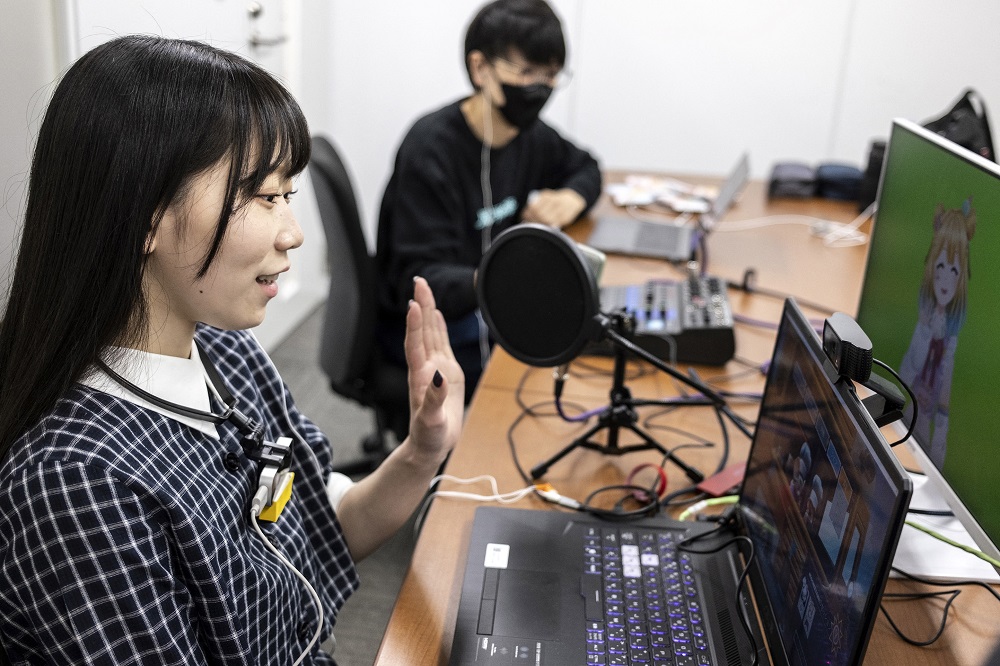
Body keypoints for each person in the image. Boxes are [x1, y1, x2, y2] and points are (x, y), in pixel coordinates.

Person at [0, 36, 463, 666]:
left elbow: (321, 532)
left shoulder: (228, 355)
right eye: (263, 196)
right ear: (145, 216)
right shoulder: (79, 481)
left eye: (288, 196)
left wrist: (423, 449)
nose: (293, 232)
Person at [375, 0, 602, 402]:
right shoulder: (431, 150)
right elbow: (419, 278)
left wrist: (570, 197)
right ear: (481, 68)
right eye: (527, 71)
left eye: (550, 74)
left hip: (493, 302)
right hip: (433, 322)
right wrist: (500, 279)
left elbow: (586, 166)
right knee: (539, 385)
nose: (540, 87)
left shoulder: (529, 136)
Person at [898, 199, 976, 469]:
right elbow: (906, 372)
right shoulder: (924, 323)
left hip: (932, 412)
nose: (944, 279)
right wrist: (923, 331)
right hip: (911, 411)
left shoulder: (951, 340)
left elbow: (945, 397)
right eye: (940, 267)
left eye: (953, 271)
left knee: (934, 452)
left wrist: (942, 420)